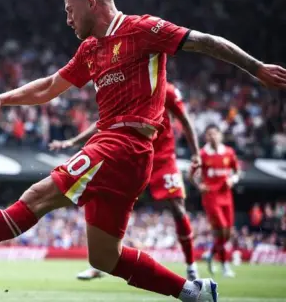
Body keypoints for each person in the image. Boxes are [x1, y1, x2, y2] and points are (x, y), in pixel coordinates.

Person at [0, 0, 286, 302]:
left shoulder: (142, 29)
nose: (67, 19)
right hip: (119, 150)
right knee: (104, 258)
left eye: (70, 10)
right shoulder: (90, 49)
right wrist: (3, 98)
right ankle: (195, 293)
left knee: (38, 196)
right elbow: (51, 85)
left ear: (91, 3)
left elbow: (205, 41)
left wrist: (256, 69)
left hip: (125, 143)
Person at [50, 82, 201, 281]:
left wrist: (196, 154)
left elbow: (185, 120)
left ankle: (191, 266)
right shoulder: (128, 87)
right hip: (132, 155)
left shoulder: (168, 91)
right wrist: (72, 142)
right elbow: (103, 122)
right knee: (108, 203)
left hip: (163, 159)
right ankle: (100, 264)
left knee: (178, 208)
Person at [193, 125, 240, 277]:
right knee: (222, 230)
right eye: (209, 134)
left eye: (215, 133)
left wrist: (233, 179)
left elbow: (237, 171)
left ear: (220, 135)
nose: (212, 136)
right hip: (211, 197)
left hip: (226, 196)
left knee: (227, 233)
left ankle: (211, 253)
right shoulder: (202, 154)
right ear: (206, 137)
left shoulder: (229, 152)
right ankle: (225, 265)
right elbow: (191, 174)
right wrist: (199, 185)